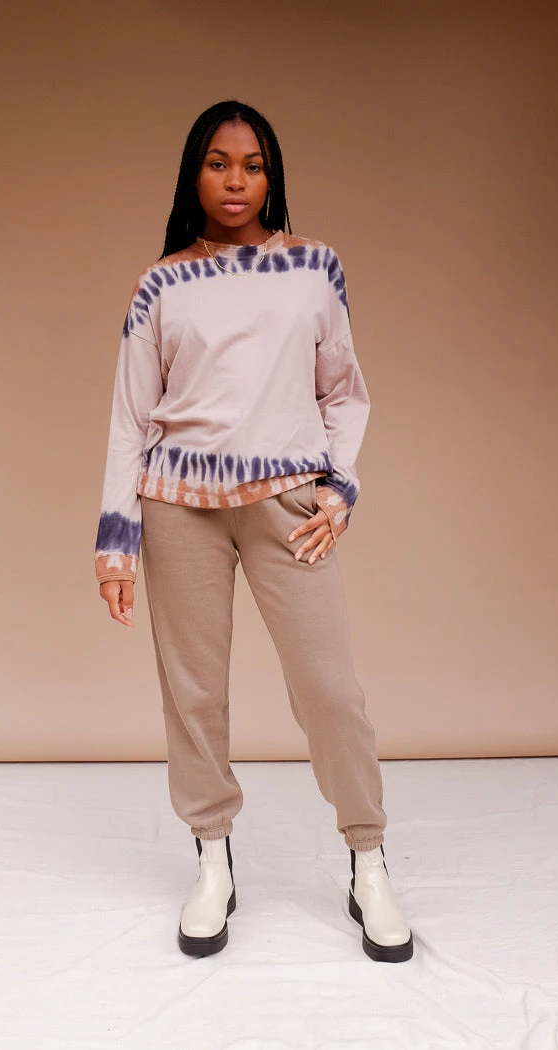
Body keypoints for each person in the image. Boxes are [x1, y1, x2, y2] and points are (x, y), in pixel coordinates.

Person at [93, 99, 413, 963]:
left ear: (272, 177)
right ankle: (212, 858)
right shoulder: (160, 285)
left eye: (253, 164)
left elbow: (343, 391)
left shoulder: (314, 267)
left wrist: (339, 488)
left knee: (329, 690)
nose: (236, 180)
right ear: (193, 173)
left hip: (287, 503)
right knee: (193, 694)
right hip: (178, 505)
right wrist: (116, 541)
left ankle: (368, 859)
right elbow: (130, 420)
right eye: (218, 163)